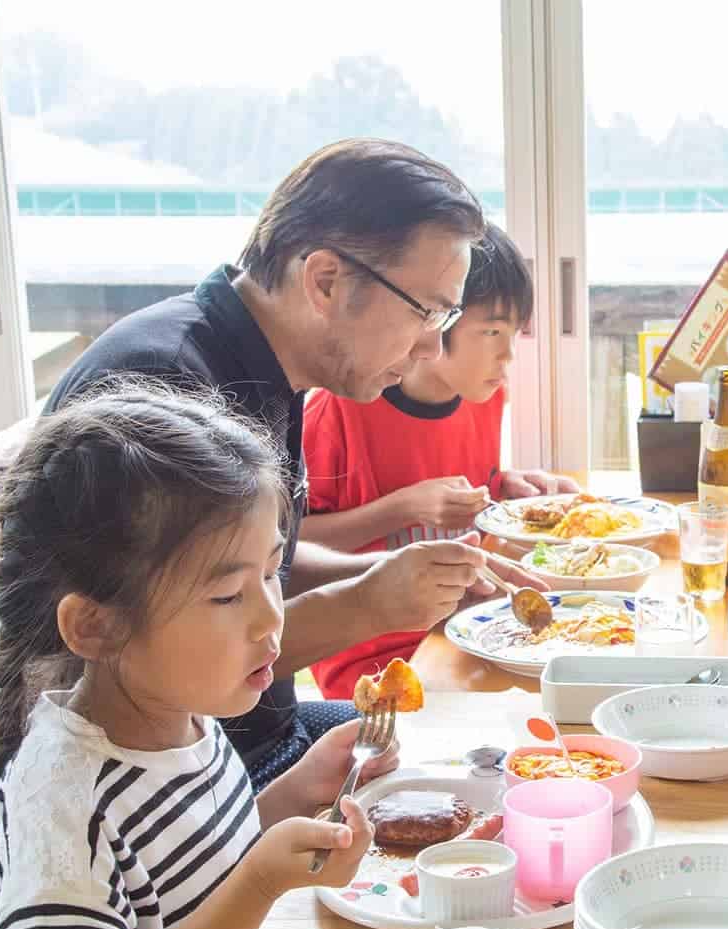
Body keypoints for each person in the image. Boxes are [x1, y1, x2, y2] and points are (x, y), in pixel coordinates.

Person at [44, 138, 543, 788]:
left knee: (519, 760)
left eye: (447, 315)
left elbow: (251, 563)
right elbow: (153, 661)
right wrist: (366, 604)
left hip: (259, 736)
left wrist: (391, 575)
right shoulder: (169, 389)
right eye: (427, 311)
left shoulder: (265, 369)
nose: (430, 345)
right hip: (175, 792)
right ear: (326, 281)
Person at [0, 383, 396, 929]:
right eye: (227, 596)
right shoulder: (65, 801)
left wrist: (301, 789)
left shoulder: (179, 712)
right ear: (96, 626)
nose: (269, 618)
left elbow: (197, 875)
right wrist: (257, 885)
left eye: (271, 574)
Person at [300, 222, 577, 698]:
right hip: (374, 660)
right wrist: (404, 508)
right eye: (491, 331)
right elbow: (287, 548)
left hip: (466, 627)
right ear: (434, 319)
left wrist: (505, 488)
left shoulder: (484, 399)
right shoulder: (339, 409)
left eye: (515, 332)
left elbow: (465, 492)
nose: (508, 354)